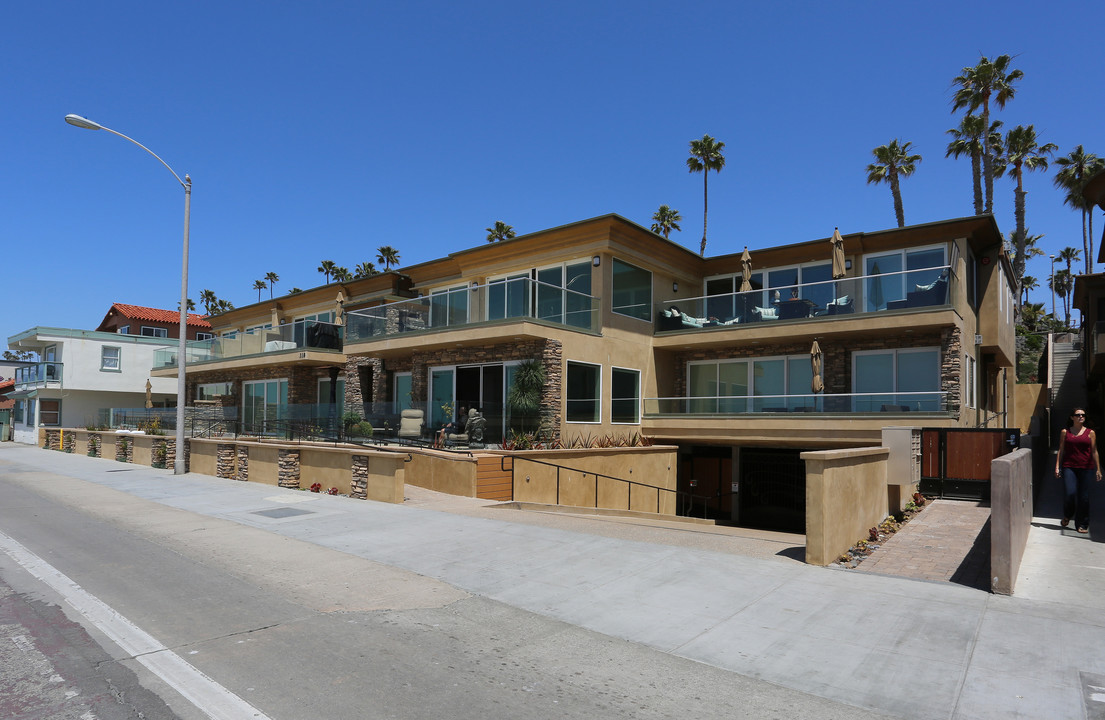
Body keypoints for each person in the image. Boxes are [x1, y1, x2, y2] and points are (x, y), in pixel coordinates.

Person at [1054, 407, 1102, 534]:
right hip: (1069, 467)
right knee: (1070, 493)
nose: (1081, 417)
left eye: (1083, 415)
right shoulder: (1065, 432)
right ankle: (1068, 515)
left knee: (1084, 497)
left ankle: (1082, 523)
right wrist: (1057, 466)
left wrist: (1098, 469)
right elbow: (1061, 449)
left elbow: (1094, 451)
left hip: (1086, 468)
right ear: (1072, 417)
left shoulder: (1091, 433)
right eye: (1078, 415)